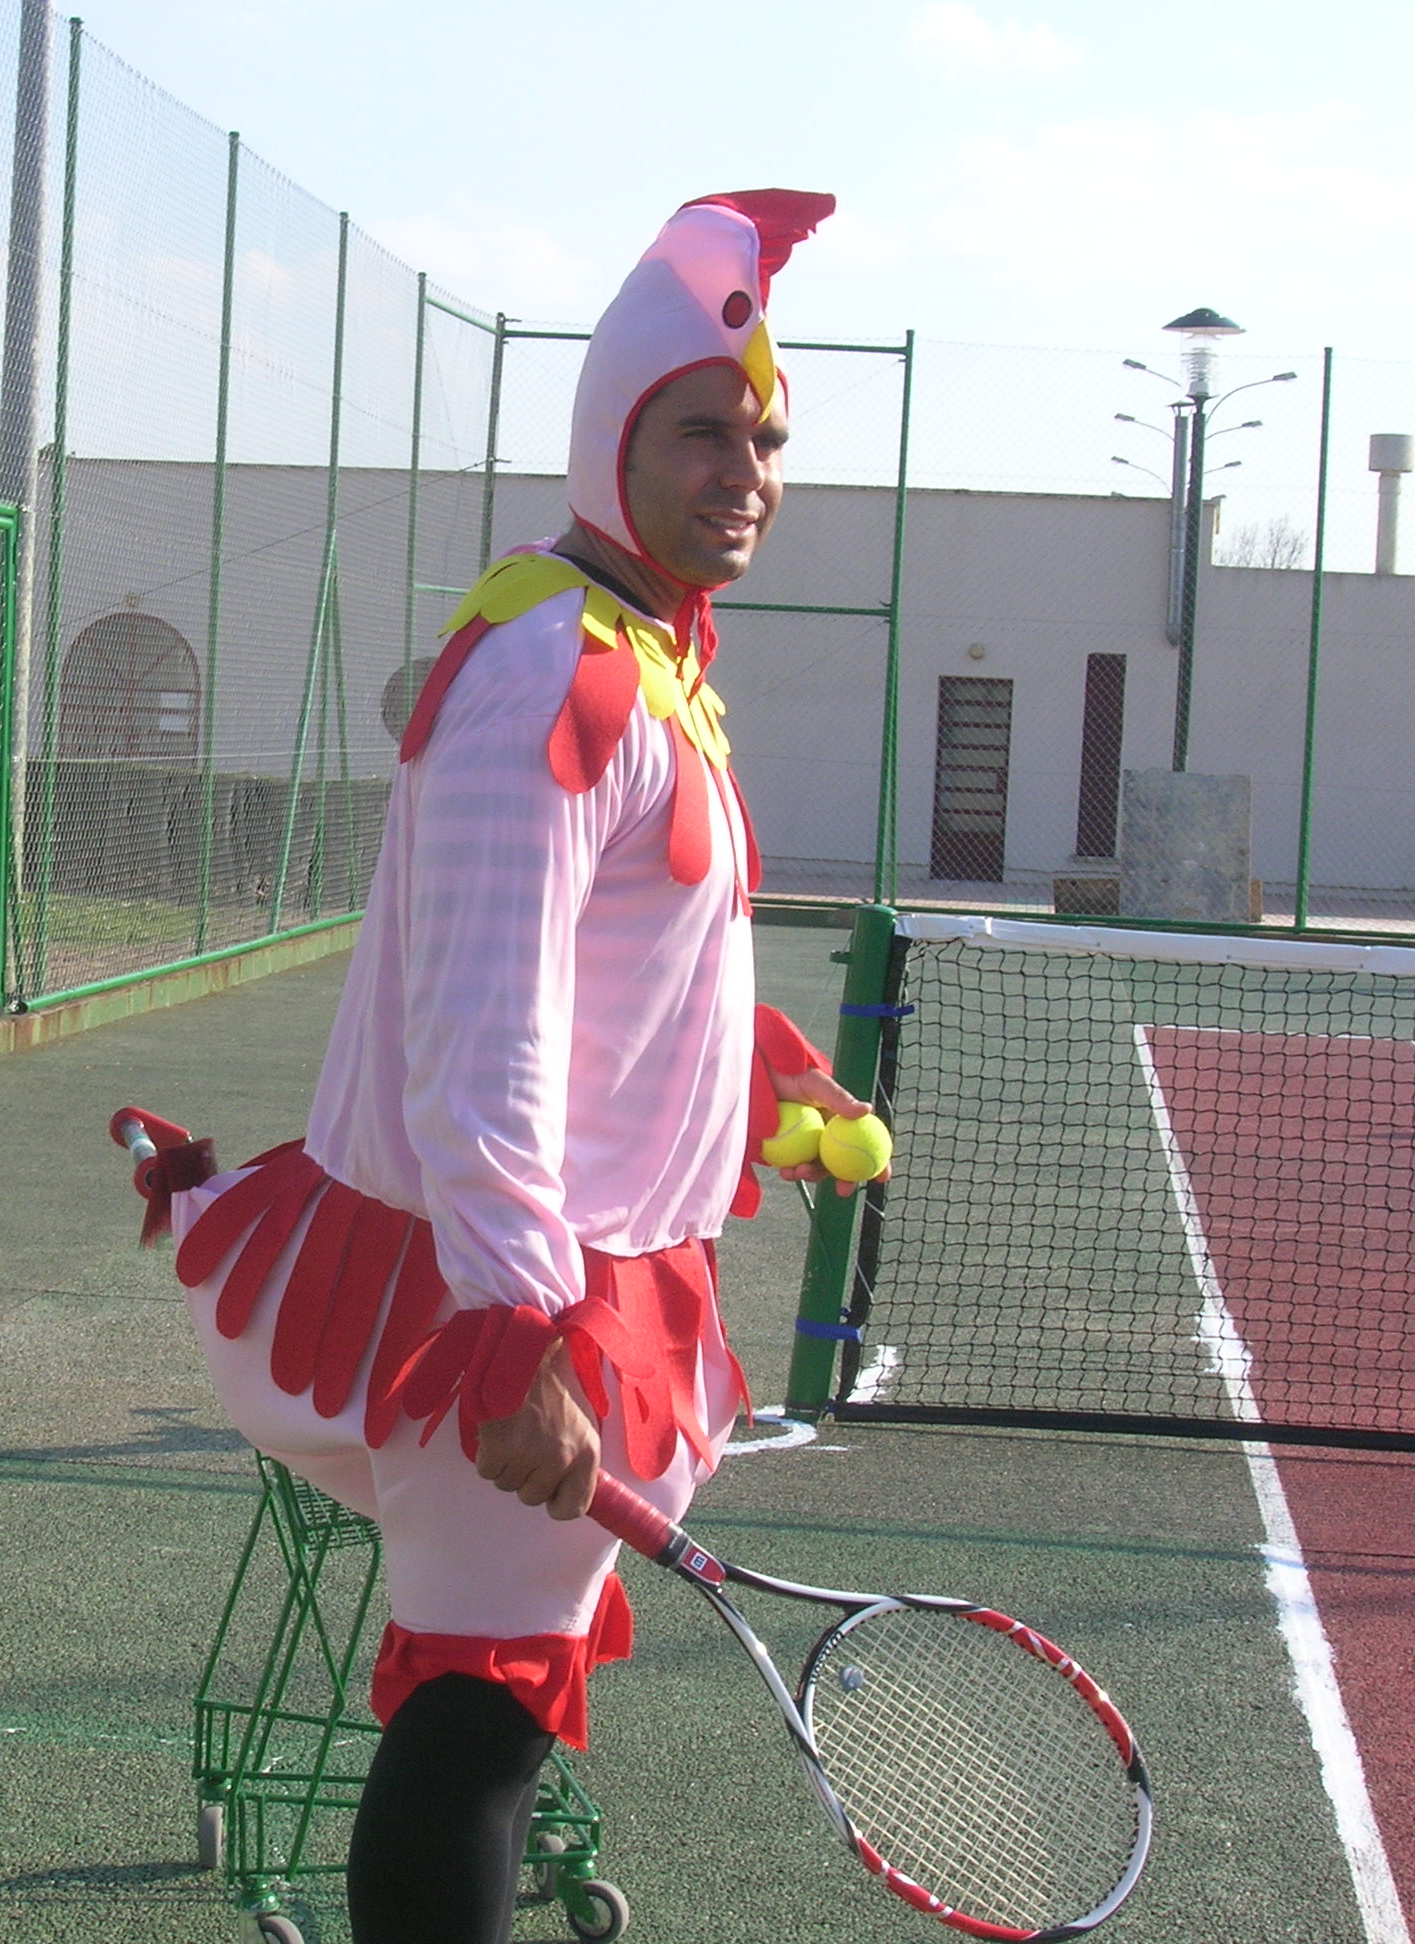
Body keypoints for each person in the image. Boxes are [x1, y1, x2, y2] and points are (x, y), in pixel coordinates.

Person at [159, 190, 874, 1943]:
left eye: (766, 439)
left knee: (488, 1719)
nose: (745, 472)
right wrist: (512, 1336)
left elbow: (623, 960)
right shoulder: (554, 667)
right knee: (474, 1730)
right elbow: (477, 1027)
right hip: (495, 1295)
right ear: (611, 438)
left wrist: (760, 1072)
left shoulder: (642, 654)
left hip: (556, 1279)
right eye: (700, 431)